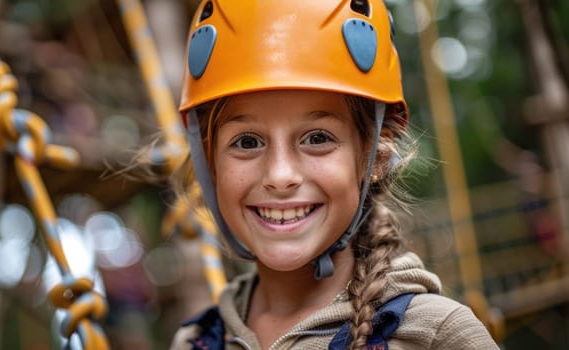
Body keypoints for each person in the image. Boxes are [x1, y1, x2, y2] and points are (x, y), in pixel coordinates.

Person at [167, 0, 499, 349]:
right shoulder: (194, 341)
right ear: (210, 163)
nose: (280, 176)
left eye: (318, 138)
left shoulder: (437, 336)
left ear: (376, 156)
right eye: (247, 142)